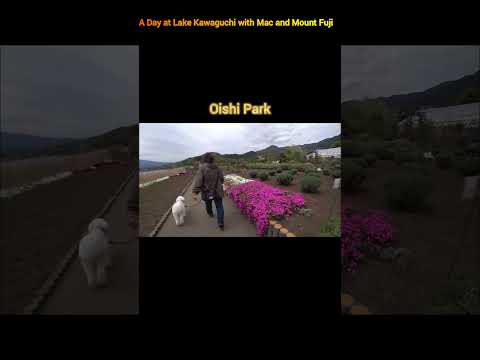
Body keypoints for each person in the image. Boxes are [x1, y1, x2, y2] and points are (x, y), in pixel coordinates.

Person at [192, 153, 225, 230]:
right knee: (219, 206)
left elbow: (198, 181)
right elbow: (222, 179)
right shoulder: (218, 168)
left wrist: (195, 192)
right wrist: (219, 184)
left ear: (204, 159)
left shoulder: (202, 168)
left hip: (207, 192)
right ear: (212, 159)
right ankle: (221, 223)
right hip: (218, 191)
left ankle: (210, 213)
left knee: (208, 203)